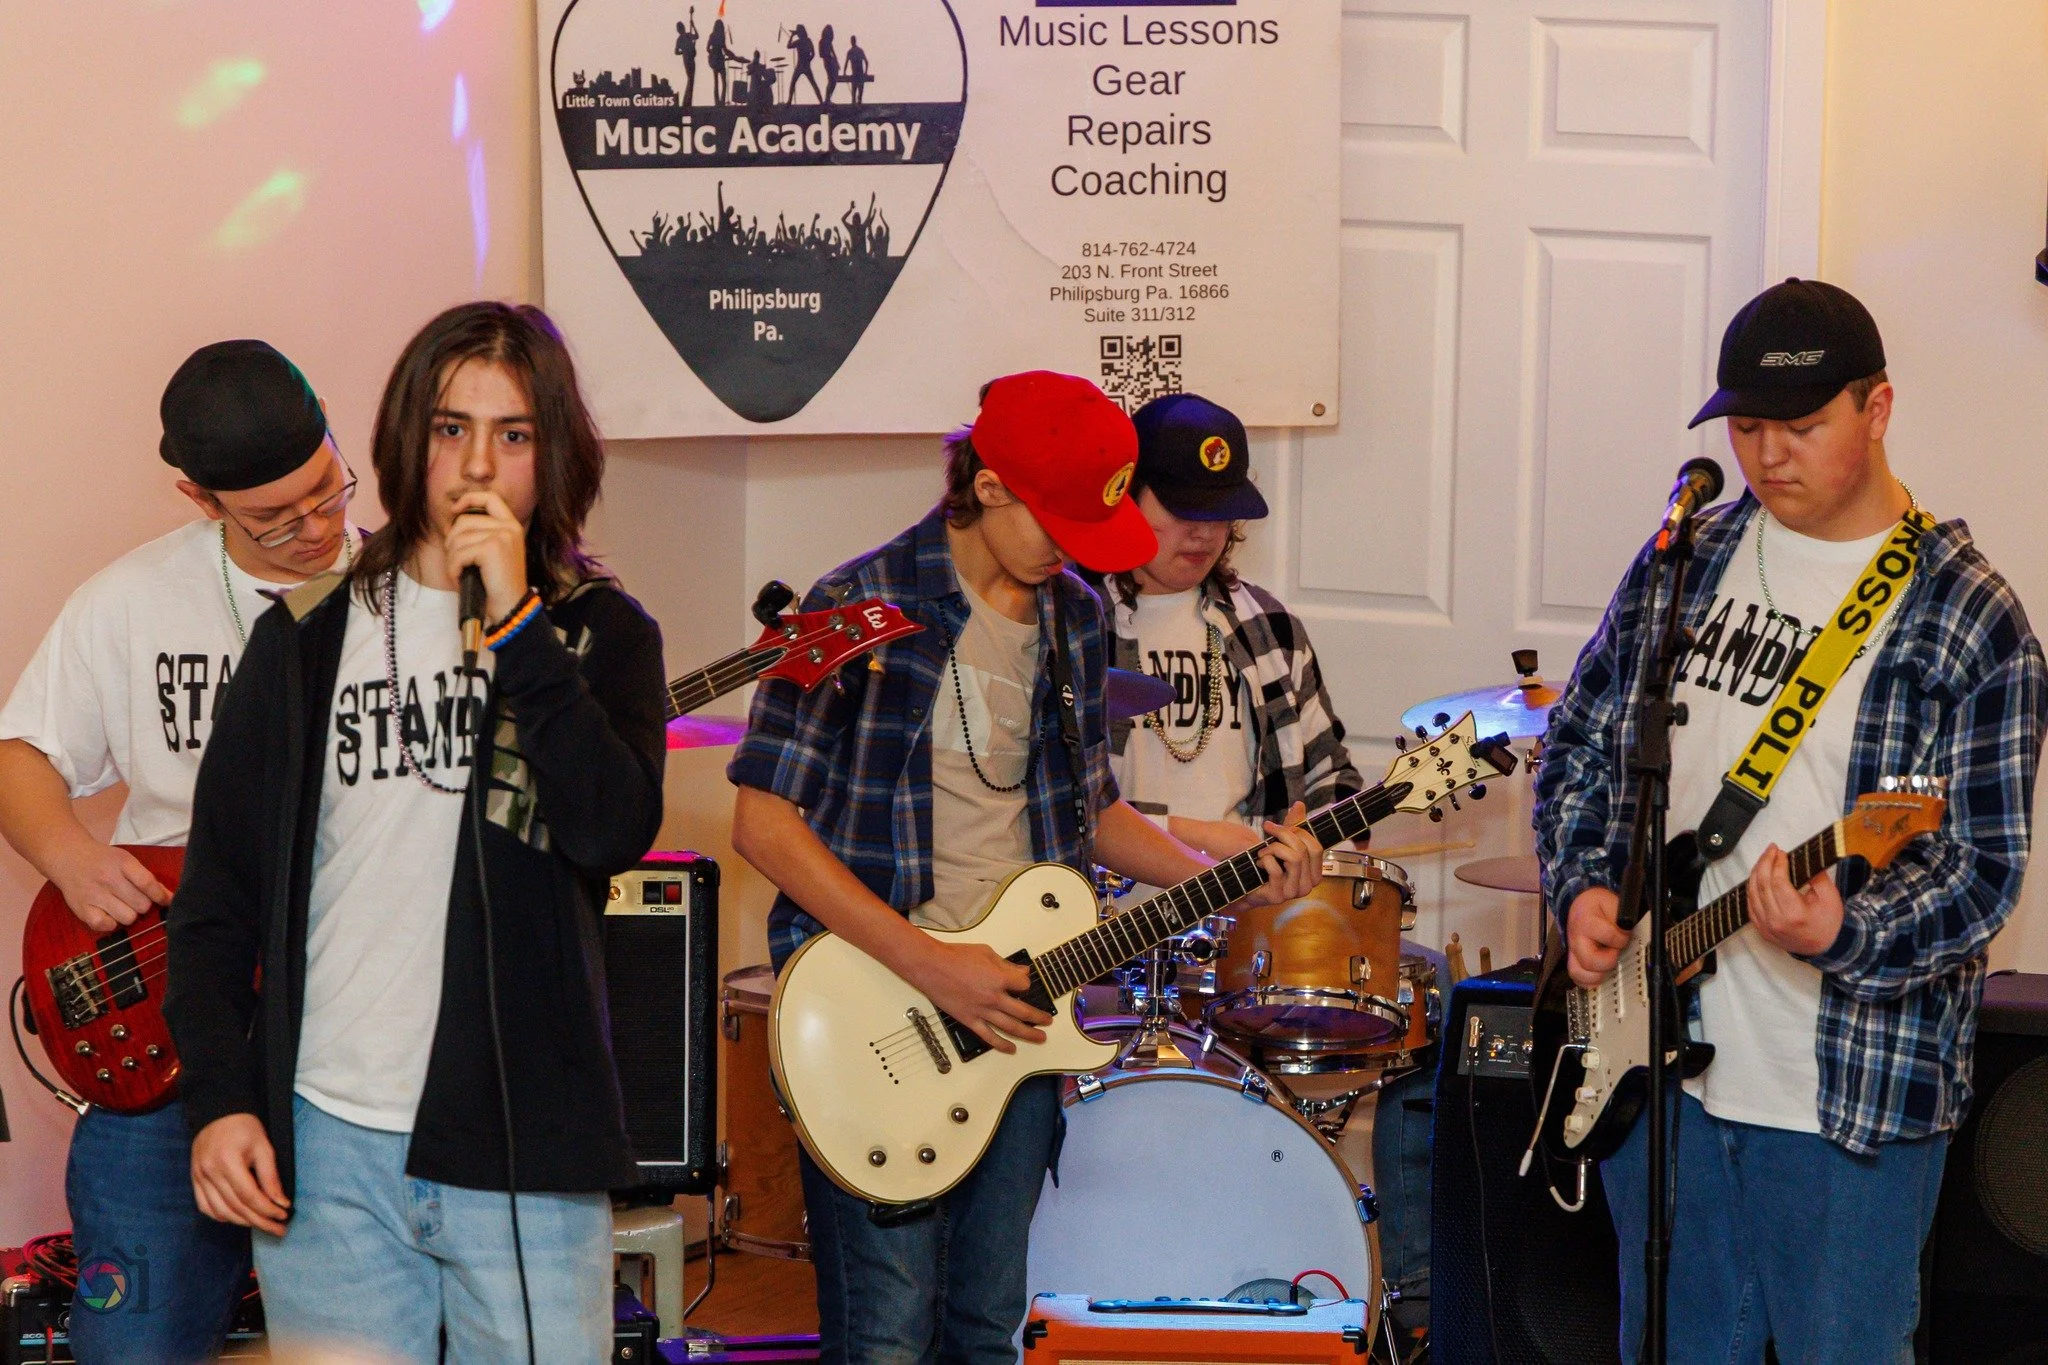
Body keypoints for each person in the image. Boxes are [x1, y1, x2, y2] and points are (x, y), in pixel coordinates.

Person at [728, 371, 1326, 1360]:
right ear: (989, 484)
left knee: (986, 1327)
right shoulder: (851, 605)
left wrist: (1218, 872)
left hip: (1020, 1014)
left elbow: (1087, 810)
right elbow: (761, 823)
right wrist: (932, 964)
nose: (1069, 553)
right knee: (882, 1333)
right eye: (1055, 521)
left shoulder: (1074, 616)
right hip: (879, 1003)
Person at [1536, 278, 2046, 1364]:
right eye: (1747, 427)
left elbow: (1978, 870)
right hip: (1650, 1059)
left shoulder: (1967, 615)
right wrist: (1583, 882)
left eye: (1801, 425)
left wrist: (1841, 932)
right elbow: (1581, 741)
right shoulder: (1691, 558)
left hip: (1846, 1088)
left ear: (1877, 409)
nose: (1767, 456)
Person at [164, 303, 666, 1362]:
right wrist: (220, 1099)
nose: (476, 462)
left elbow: (610, 830)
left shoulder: (597, 634)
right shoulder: (303, 638)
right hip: (327, 1139)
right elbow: (215, 903)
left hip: (520, 1145)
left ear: (553, 453)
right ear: (404, 439)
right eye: (449, 429)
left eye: (513, 434)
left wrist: (520, 626)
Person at [0, 340, 359, 1363]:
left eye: (327, 492)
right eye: (275, 518)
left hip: (342, 1043)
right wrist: (68, 853)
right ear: (198, 496)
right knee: (136, 1339)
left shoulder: (407, 600)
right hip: (169, 1022)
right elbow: (19, 752)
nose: (316, 528)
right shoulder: (129, 599)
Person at [1098, 392, 1361, 857]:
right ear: (1126, 494)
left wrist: (1317, 840)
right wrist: (1184, 832)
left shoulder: (1271, 627)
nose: (1204, 533)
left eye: (1220, 512)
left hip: (1244, 917)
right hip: (1109, 914)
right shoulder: (1075, 622)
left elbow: (1331, 776)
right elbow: (1042, 799)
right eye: (1182, 511)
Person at [785, 24, 821, 103]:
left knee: (794, 83)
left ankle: (789, 101)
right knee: (812, 83)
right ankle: (821, 101)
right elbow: (813, 53)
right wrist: (809, 60)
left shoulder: (801, 41)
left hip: (801, 65)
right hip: (803, 65)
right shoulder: (807, 40)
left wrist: (792, 36)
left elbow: (788, 46)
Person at [675, 10, 698, 108]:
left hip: (688, 59)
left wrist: (683, 52)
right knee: (691, 79)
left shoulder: (682, 38)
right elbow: (697, 36)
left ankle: (688, 101)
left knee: (691, 79)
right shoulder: (684, 37)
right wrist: (684, 51)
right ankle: (687, 101)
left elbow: (676, 52)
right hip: (689, 60)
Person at [845, 36, 870, 107]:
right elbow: (866, 62)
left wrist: (865, 72)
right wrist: (865, 72)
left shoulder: (853, 51)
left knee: (857, 93)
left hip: (858, 74)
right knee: (856, 92)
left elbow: (866, 62)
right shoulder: (857, 51)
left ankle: (856, 104)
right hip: (857, 74)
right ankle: (857, 104)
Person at [819, 24, 842, 105]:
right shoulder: (822, 41)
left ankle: (828, 98)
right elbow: (821, 54)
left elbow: (833, 52)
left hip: (831, 61)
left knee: (834, 81)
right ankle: (827, 99)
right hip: (827, 61)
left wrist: (837, 62)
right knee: (831, 80)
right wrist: (828, 56)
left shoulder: (829, 42)